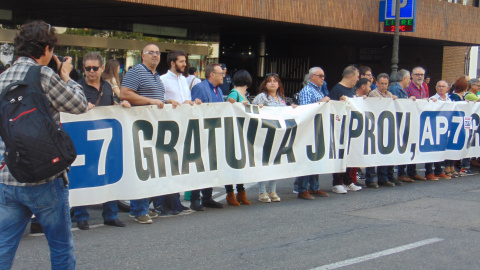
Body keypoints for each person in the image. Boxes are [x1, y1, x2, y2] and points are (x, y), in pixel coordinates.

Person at [0, 20, 88, 269]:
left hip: (8, 174)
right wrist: (67, 77)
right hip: (45, 177)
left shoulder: (2, 77)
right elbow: (78, 105)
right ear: (48, 49)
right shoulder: (43, 75)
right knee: (60, 246)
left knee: (4, 246)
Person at [120, 44, 180, 224]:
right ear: (142, 56)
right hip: (140, 128)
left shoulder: (156, 76)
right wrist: (150, 101)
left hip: (154, 129)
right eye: (150, 52)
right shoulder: (136, 71)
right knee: (142, 168)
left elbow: (157, 99)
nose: (155, 55)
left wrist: (166, 101)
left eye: (157, 53)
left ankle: (139, 208)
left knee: (149, 169)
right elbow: (125, 93)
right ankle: (140, 210)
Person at [73, 52, 130, 230]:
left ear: (102, 68)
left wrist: (120, 106)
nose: (91, 72)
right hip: (84, 140)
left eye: (94, 68)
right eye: (87, 68)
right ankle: (81, 216)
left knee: (110, 176)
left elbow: (109, 104)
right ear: (83, 69)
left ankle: (110, 215)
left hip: (106, 139)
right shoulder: (77, 87)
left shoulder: (107, 87)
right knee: (84, 178)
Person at [158, 50, 200, 215]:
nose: (184, 64)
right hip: (168, 127)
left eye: (185, 61)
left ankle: (175, 201)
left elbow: (185, 101)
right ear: (172, 63)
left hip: (183, 126)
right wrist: (169, 101)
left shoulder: (184, 80)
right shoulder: (162, 80)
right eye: (181, 61)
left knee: (178, 166)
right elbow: (159, 101)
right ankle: (161, 202)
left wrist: (192, 102)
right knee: (167, 165)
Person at [252, 72, 296, 202]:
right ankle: (262, 192)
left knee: (275, 163)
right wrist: (258, 108)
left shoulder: (281, 98)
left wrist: (292, 108)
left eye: (275, 81)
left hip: (279, 135)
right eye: (269, 81)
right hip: (265, 134)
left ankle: (272, 190)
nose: (272, 83)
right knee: (265, 162)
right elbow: (251, 112)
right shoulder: (261, 97)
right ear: (265, 84)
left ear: (279, 84)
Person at [189, 63, 225, 211]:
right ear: (212, 75)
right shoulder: (200, 88)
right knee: (200, 166)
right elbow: (193, 110)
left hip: (214, 132)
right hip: (201, 133)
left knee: (212, 165)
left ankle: (207, 197)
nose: (223, 76)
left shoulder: (219, 90)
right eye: (220, 73)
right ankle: (195, 199)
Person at [295, 67, 330, 200]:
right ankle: (302, 188)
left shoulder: (318, 90)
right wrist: (322, 102)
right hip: (309, 130)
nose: (323, 78)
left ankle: (314, 187)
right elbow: (306, 110)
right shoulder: (307, 91)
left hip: (317, 129)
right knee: (306, 159)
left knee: (315, 158)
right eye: (320, 75)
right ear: (312, 77)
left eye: (323, 76)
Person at [328, 65, 363, 194]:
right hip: (339, 129)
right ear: (351, 76)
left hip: (351, 128)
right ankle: (337, 182)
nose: (358, 80)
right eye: (357, 77)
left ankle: (348, 181)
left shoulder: (352, 91)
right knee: (339, 155)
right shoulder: (337, 90)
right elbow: (331, 108)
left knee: (350, 154)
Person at [364, 73, 403, 188]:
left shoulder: (390, 94)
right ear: (377, 83)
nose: (383, 86)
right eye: (381, 83)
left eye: (386, 84)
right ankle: (370, 179)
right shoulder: (373, 94)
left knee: (385, 153)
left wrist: (394, 100)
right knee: (373, 153)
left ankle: (384, 177)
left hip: (386, 127)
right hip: (375, 126)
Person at [224, 70, 253, 205]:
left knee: (241, 164)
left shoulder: (242, 94)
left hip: (240, 133)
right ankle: (230, 193)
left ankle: (240, 192)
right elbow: (230, 105)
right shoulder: (235, 93)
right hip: (234, 133)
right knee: (232, 164)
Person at [402, 67, 428, 181]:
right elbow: (402, 102)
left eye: (422, 74)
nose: (420, 76)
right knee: (405, 146)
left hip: (419, 122)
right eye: (417, 74)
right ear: (412, 76)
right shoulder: (408, 87)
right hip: (408, 121)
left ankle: (412, 171)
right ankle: (402, 172)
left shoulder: (423, 87)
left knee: (414, 147)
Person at [427, 80, 454, 180]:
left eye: (443, 86)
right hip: (433, 128)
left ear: (447, 88)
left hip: (444, 128)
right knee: (430, 151)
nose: (441, 88)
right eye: (439, 86)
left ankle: (439, 171)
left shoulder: (449, 100)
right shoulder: (432, 99)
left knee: (441, 150)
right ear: (436, 87)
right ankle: (429, 172)